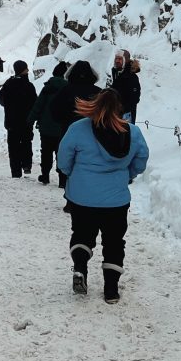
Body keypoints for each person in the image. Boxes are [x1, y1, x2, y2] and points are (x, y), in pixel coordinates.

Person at [58, 88, 149, 304]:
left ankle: (80, 268)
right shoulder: (133, 133)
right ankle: (111, 290)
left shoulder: (78, 129)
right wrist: (127, 175)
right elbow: (141, 161)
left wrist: (75, 176)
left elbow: (63, 160)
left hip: (82, 198)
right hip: (116, 200)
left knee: (82, 234)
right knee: (114, 242)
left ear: (95, 104)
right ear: (121, 109)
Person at [28, 60, 69, 186]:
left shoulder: (47, 87)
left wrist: (30, 120)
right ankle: (62, 179)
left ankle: (45, 176)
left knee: (46, 152)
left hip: (46, 127)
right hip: (62, 128)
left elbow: (38, 106)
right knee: (61, 153)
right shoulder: (67, 88)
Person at [0, 60, 38, 178]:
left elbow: (1, 100)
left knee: (13, 146)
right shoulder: (29, 86)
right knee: (26, 142)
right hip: (26, 121)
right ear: (22, 70)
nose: (28, 70)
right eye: (26, 68)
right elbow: (35, 103)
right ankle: (26, 165)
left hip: (11, 121)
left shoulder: (8, 84)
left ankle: (15, 171)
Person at [109, 50, 142, 123]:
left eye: (120, 59)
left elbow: (134, 99)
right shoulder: (116, 73)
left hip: (126, 115)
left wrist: (121, 109)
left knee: (126, 133)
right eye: (116, 58)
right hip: (115, 113)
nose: (117, 61)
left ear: (125, 60)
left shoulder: (132, 77)